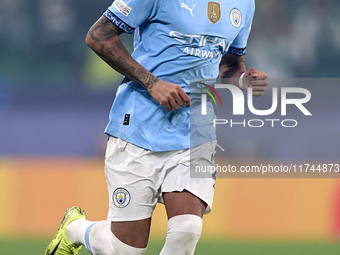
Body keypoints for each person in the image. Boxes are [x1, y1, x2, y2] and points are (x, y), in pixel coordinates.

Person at [45, 0, 268, 254]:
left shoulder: (243, 4)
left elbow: (229, 64)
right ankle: (75, 229)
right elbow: (98, 36)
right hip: (139, 126)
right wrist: (152, 83)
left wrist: (242, 80)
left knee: (187, 231)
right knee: (124, 250)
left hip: (195, 131)